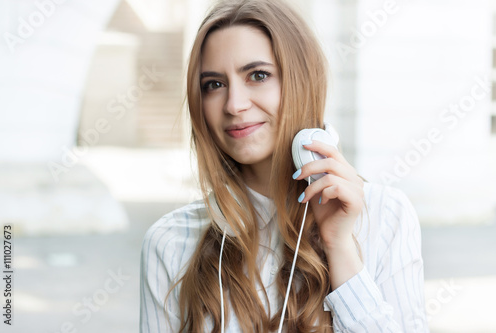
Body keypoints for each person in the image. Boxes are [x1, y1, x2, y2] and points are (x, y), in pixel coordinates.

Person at [140, 0, 428, 332]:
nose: (234, 104)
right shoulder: (170, 241)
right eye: (214, 85)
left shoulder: (385, 215)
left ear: (301, 82)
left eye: (258, 75)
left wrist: (340, 247)